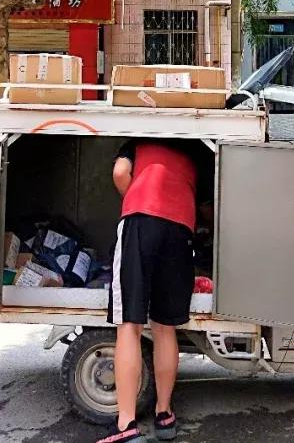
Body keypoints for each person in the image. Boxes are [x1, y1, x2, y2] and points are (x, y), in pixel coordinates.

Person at [98, 139, 199, 443]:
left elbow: (119, 173)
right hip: (181, 229)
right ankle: (164, 415)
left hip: (141, 219)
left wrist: (136, 197)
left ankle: (126, 425)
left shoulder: (137, 142)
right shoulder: (193, 152)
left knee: (130, 325)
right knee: (165, 327)